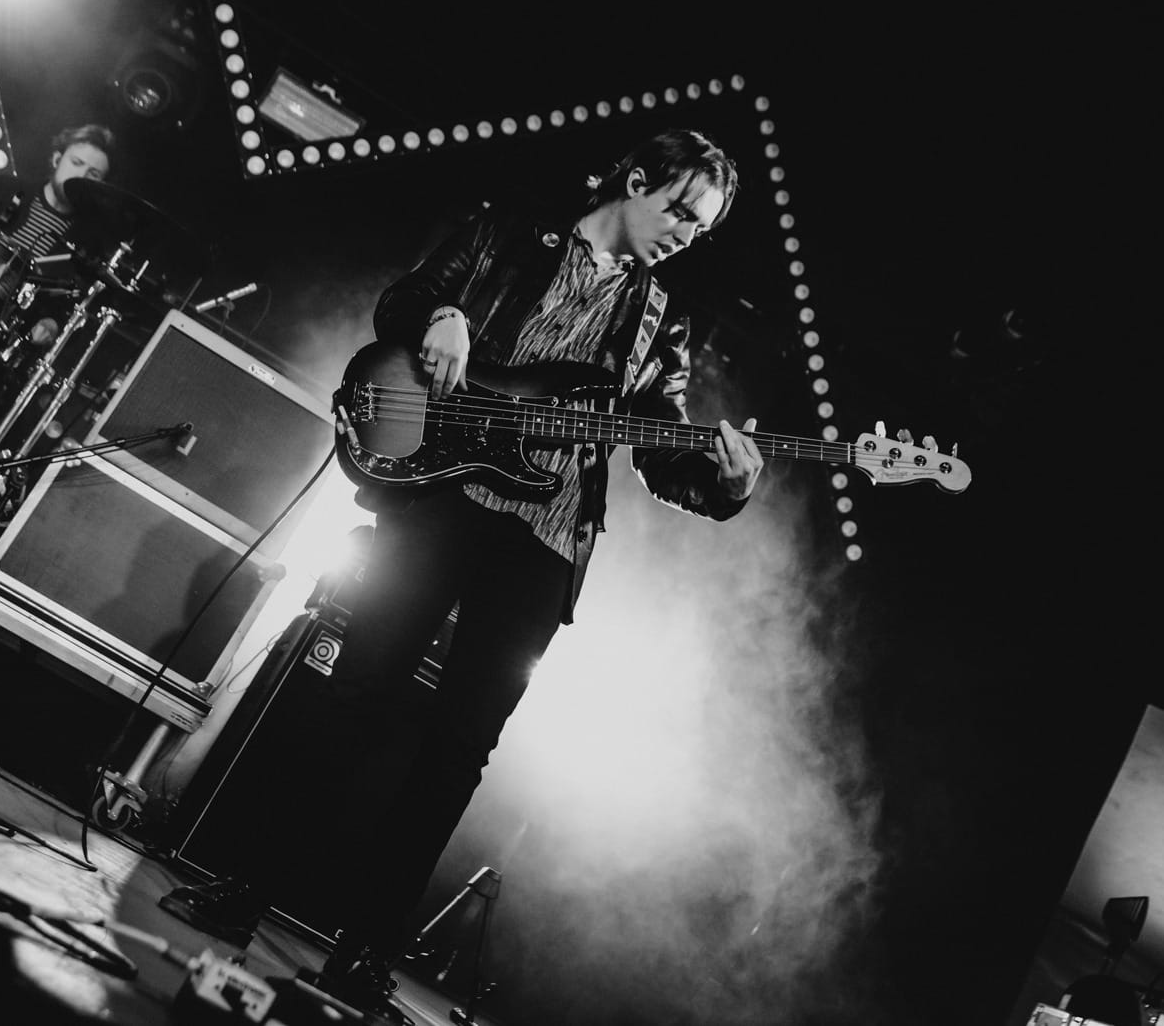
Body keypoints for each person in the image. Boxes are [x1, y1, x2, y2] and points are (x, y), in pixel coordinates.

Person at [159, 128, 764, 1019]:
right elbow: (403, 302)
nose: (685, 233)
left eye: (700, 229)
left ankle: (364, 952)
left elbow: (660, 452)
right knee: (352, 693)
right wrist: (437, 316)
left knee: (457, 751)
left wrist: (724, 484)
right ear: (636, 181)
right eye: (680, 210)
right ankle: (245, 889)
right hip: (441, 499)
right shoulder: (506, 233)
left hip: (543, 543)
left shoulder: (658, 321)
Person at [0, 122, 115, 259]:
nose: (81, 176)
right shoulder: (4, 190)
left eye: (94, 174)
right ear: (56, 160)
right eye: (76, 163)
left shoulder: (89, 242)